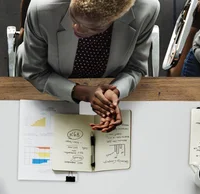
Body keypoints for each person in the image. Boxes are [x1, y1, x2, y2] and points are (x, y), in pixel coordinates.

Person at [21, 0, 160, 132]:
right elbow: (36, 72)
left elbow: (136, 68)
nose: (76, 28)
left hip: (111, 83)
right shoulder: (42, 8)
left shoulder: (147, 9)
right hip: (50, 93)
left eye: (93, 27)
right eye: (73, 16)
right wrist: (83, 93)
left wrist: (115, 92)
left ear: (116, 17)